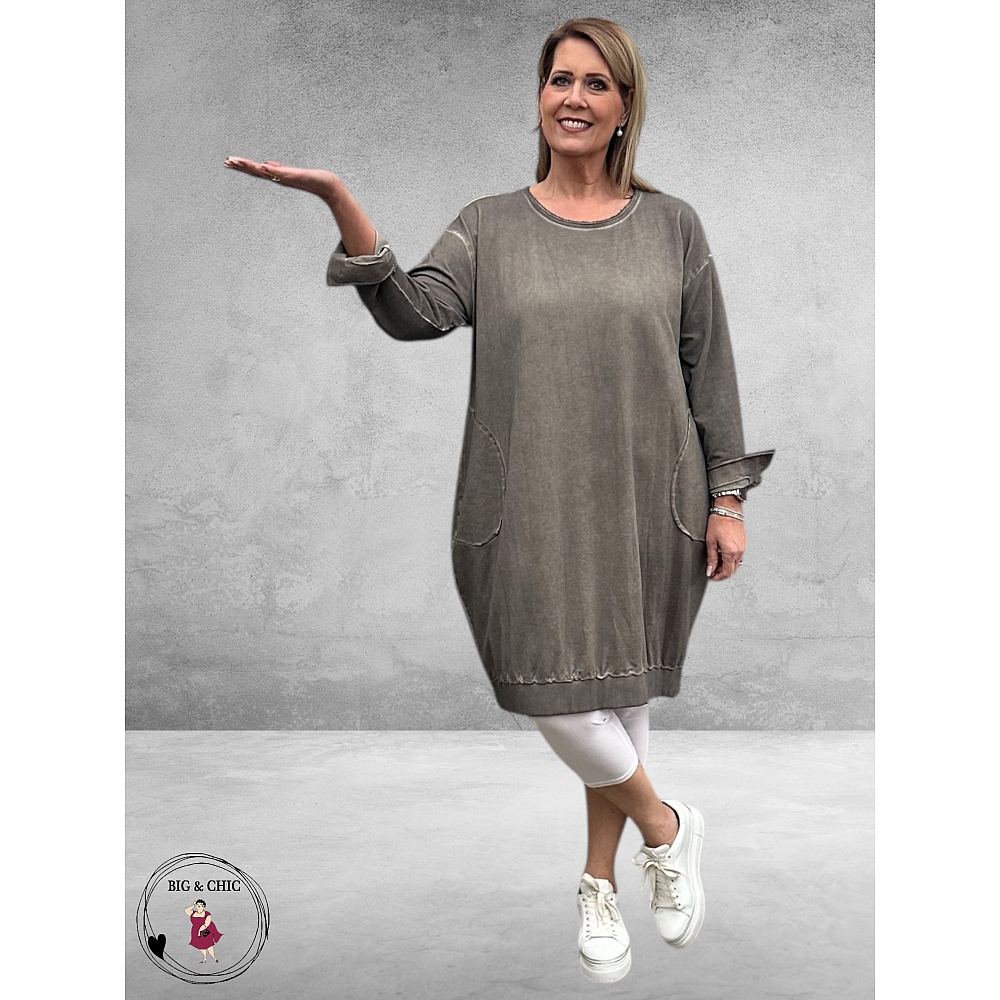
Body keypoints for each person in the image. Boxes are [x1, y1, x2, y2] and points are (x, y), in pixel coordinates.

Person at [225, 16, 772, 984]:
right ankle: (667, 826)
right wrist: (342, 202)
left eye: (596, 83)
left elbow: (710, 368)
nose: (573, 96)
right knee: (557, 696)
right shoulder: (489, 225)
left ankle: (598, 885)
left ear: (624, 108)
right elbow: (414, 312)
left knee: (616, 696)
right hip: (525, 505)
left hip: (647, 497)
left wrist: (727, 497)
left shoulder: (673, 227)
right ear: (539, 97)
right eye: (559, 78)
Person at [184, 899, 222, 963]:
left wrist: (200, 930)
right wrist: (193, 905)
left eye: (201, 904)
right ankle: (205, 958)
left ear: (203, 906)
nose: (199, 906)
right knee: (201, 946)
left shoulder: (207, 914)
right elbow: (186, 910)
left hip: (206, 931)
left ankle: (214, 958)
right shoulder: (193, 913)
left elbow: (207, 923)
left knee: (209, 945)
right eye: (197, 904)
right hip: (195, 931)